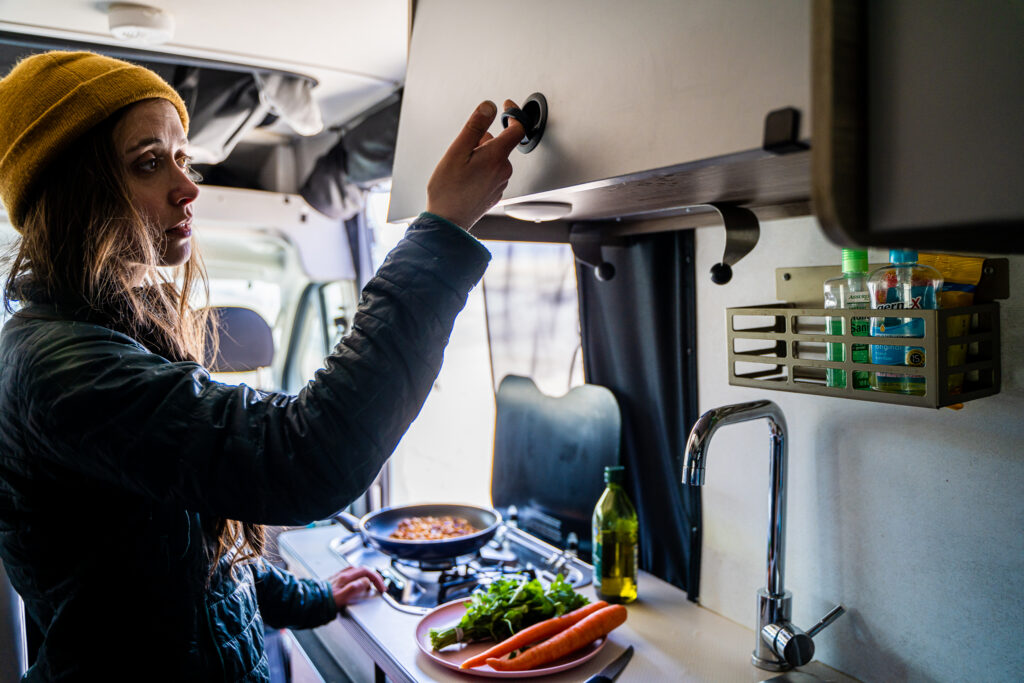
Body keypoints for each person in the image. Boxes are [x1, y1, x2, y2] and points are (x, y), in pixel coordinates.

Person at [0, 50, 524, 681]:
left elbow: (193, 566)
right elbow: (303, 455)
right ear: (75, 194)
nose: (189, 186)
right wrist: (441, 230)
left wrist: (315, 598)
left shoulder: (116, 331)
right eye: (148, 162)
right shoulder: (61, 368)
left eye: (182, 157)